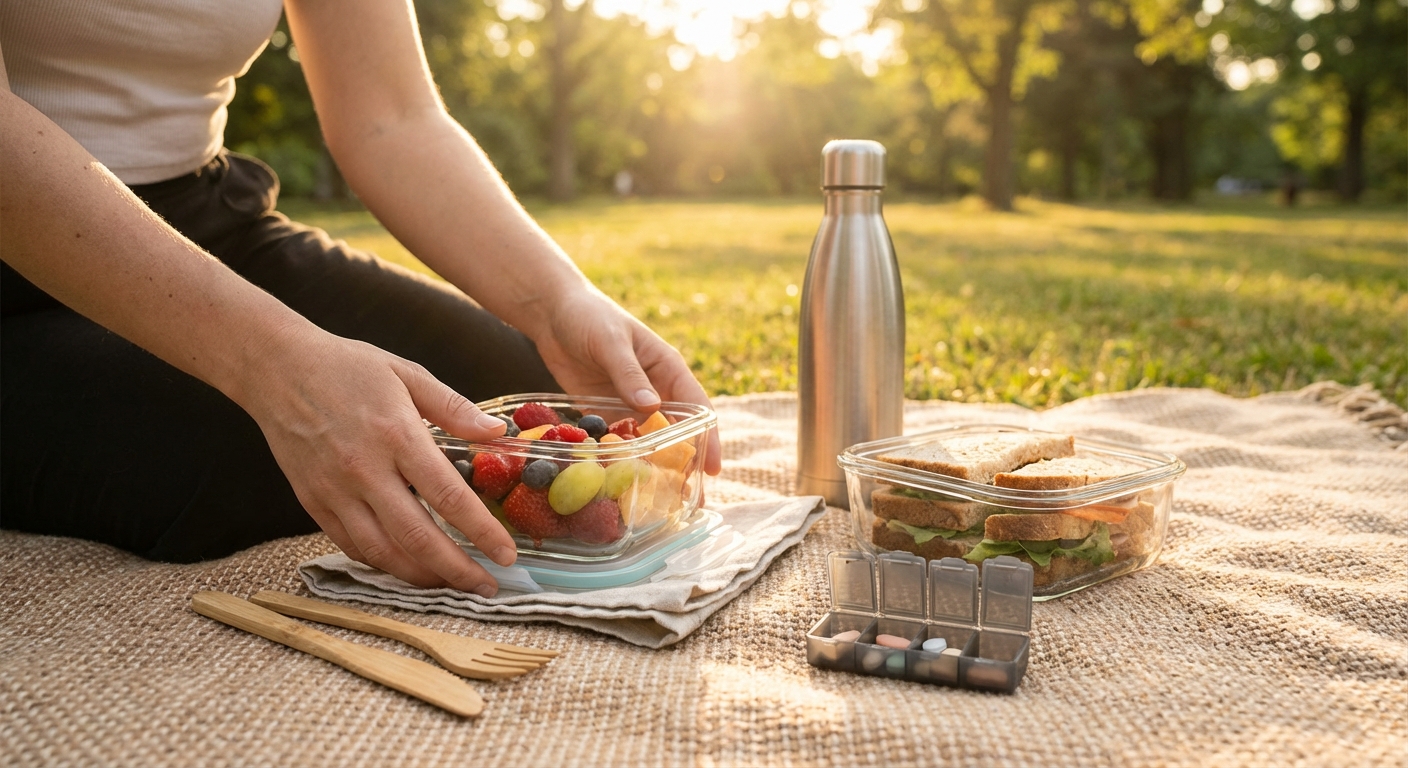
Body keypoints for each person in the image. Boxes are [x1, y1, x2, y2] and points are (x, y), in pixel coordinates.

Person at [0, 0, 720, 598]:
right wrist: (275, 368)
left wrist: (557, 302)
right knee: (236, 456)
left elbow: (392, 118)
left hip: (206, 215)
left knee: (492, 400)